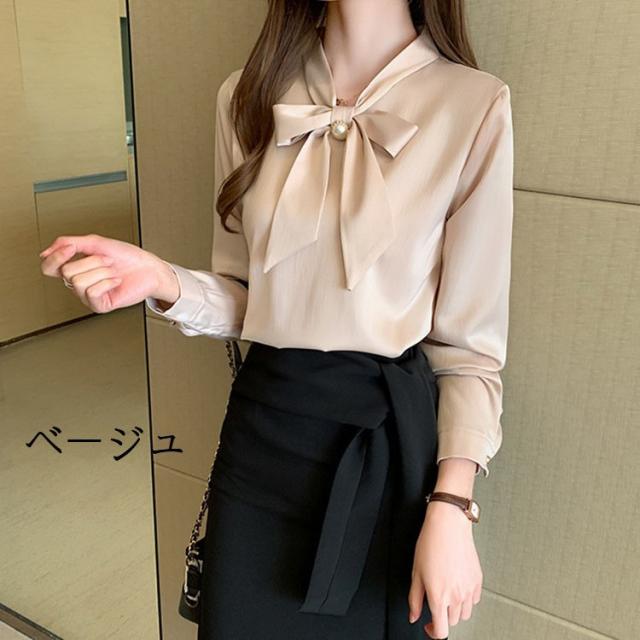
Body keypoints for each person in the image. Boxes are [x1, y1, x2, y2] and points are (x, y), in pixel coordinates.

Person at [39, 1, 514, 638]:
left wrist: (452, 505)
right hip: (264, 434)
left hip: (386, 453)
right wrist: (162, 280)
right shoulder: (247, 93)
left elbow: (470, 349)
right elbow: (248, 298)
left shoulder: (474, 104)